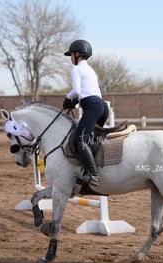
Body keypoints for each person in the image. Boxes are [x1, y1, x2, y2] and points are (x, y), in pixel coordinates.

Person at [63, 39, 109, 186]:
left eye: (71, 55)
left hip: (92, 106)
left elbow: (76, 91)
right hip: (102, 107)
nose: (71, 58)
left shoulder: (76, 69)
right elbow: (88, 92)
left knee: (80, 140)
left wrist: (67, 98)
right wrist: (76, 101)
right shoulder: (90, 69)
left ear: (77, 54)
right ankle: (92, 167)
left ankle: (93, 174)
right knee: (90, 139)